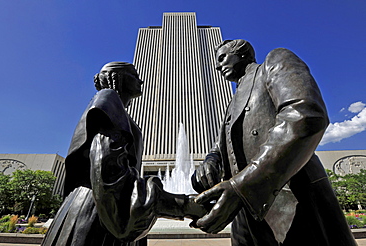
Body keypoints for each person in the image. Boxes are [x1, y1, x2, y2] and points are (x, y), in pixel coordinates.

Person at [191, 40, 357, 245]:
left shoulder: (274, 61)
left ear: (242, 53)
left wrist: (242, 185)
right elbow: (220, 145)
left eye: (223, 57)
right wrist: (211, 161)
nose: (218, 66)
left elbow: (304, 115)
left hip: (293, 200)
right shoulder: (231, 103)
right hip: (246, 214)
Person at [43, 62, 206, 246]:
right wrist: (183, 204)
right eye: (135, 75)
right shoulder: (108, 107)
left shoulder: (112, 109)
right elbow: (111, 177)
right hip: (96, 215)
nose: (141, 80)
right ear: (118, 77)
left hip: (99, 209)